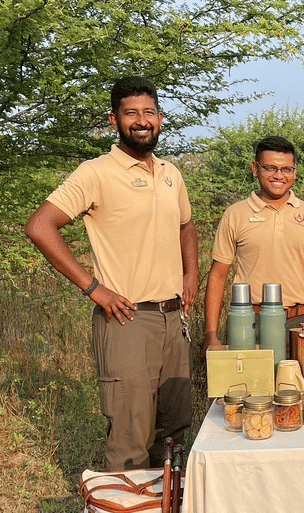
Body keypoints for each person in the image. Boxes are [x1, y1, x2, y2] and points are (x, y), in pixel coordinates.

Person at [25, 75, 198, 471]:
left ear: (160, 117)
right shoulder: (96, 172)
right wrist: (94, 289)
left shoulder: (171, 172)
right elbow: (40, 226)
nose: (142, 120)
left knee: (172, 434)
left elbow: (186, 227)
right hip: (127, 320)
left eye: (149, 112)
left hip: (174, 320)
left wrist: (191, 275)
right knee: (130, 439)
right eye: (131, 113)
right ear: (113, 120)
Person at [204, 135, 304, 351]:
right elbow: (218, 275)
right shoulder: (235, 215)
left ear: (294, 171)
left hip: (302, 322)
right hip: (250, 322)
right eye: (270, 168)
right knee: (251, 384)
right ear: (254, 168)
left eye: (287, 169)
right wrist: (210, 333)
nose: (279, 175)